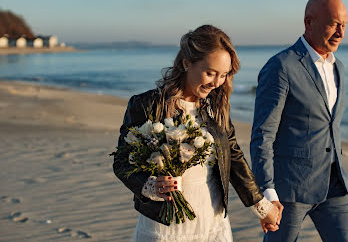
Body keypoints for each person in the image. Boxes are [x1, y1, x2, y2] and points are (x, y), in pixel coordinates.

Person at [113, 25, 280, 242]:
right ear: (186, 63)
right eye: (210, 73)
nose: (216, 83)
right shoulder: (146, 105)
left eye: (223, 75)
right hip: (164, 226)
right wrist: (151, 185)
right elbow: (122, 162)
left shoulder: (215, 108)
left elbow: (234, 157)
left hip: (213, 219)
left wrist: (262, 206)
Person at [250, 0, 348, 241]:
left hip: (333, 183)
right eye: (333, 24)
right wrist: (268, 192)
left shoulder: (338, 66)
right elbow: (263, 135)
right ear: (309, 22)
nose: (340, 32)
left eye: (344, 25)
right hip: (290, 190)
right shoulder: (281, 66)